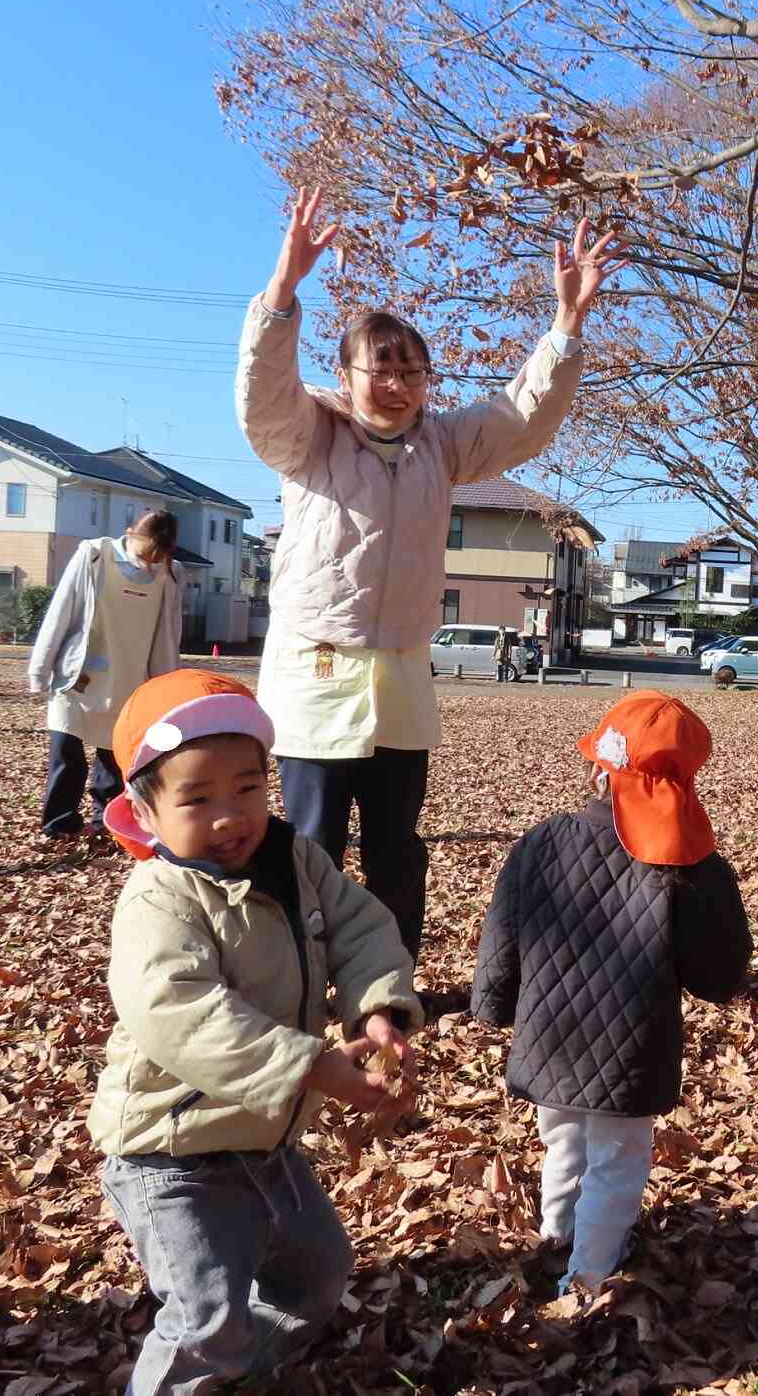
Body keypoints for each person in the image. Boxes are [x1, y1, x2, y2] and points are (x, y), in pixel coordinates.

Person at [237, 186, 624, 958]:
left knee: (397, 851)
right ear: (344, 374)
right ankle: (303, 980)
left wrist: (565, 327)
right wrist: (282, 293)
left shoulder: (440, 446)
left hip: (401, 683)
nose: (398, 385)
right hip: (316, 677)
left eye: (413, 371)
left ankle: (392, 979)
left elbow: (521, 417)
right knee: (312, 844)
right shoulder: (309, 436)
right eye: (381, 369)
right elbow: (263, 399)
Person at [87, 668, 422, 1395]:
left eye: (246, 789)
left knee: (317, 1274)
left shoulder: (296, 860)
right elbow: (179, 1011)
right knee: (205, 1320)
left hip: (266, 1138)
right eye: (196, 799)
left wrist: (378, 1008)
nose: (229, 817)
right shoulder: (160, 898)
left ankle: (247, 1370)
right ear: (144, 813)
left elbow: (360, 929)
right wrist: (311, 1067)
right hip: (173, 1151)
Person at [470, 691, 752, 1294]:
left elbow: (503, 930)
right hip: (630, 1045)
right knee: (617, 1157)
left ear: (598, 766)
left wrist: (493, 1001)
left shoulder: (542, 840)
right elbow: (717, 972)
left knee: (562, 1138)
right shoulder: (690, 866)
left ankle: (558, 1234)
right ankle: (589, 1271)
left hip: (547, 1032)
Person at [27, 510, 184, 840]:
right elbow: (62, 609)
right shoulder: (95, 556)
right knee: (66, 753)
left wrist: (167, 690)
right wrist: (39, 668)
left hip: (132, 679)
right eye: (145, 554)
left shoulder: (171, 573)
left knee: (116, 759)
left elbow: (169, 634)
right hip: (78, 675)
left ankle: (108, 823)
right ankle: (59, 823)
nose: (148, 564)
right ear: (129, 533)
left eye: (157, 557)